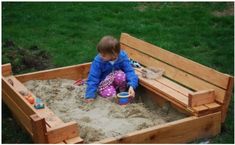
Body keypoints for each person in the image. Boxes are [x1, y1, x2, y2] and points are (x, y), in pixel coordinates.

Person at [85, 35, 138, 102]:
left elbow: (130, 71)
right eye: (100, 53)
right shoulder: (98, 61)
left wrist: (132, 86)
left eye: (104, 55)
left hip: (117, 82)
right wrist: (90, 95)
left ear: (114, 54)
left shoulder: (122, 57)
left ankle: (122, 91)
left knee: (120, 75)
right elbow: (93, 78)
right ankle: (114, 95)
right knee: (111, 95)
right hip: (104, 84)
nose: (101, 56)